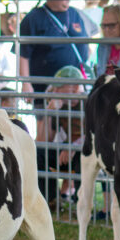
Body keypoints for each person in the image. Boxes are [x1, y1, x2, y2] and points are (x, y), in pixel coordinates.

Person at [18, 0, 91, 97]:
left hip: (76, 85)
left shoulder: (75, 14)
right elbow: (23, 54)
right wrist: (26, 83)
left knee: (77, 116)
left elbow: (86, 45)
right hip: (45, 86)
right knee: (47, 116)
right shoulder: (33, 17)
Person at [35, 65, 86, 205]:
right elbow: (44, 140)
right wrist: (49, 113)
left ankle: (81, 204)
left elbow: (95, 134)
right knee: (38, 152)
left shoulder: (88, 101)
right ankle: (52, 200)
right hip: (67, 152)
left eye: (60, 87)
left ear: (75, 87)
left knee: (83, 156)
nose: (55, 91)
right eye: (55, 87)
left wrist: (73, 146)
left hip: (86, 150)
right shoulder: (61, 104)